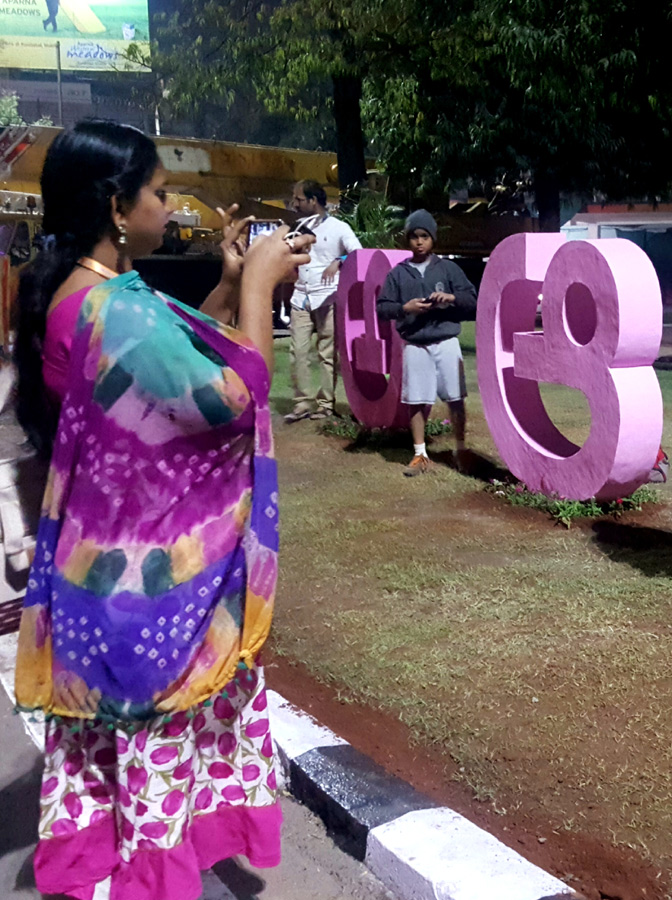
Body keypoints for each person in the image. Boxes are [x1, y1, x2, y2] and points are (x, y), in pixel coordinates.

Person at [13, 120, 313, 900]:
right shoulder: (120, 314)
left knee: (109, 760)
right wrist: (258, 291)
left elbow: (176, 356)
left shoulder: (81, 296)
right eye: (159, 191)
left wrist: (223, 281)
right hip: (151, 591)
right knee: (154, 765)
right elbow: (228, 398)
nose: (169, 203)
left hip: (96, 577)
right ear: (119, 206)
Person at [376, 210, 477, 475]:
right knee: (416, 400)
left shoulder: (448, 268)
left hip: (446, 341)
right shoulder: (398, 274)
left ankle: (461, 449)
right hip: (415, 344)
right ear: (407, 240)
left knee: (455, 397)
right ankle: (420, 454)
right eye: (414, 236)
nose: (419, 242)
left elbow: (471, 300)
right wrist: (405, 307)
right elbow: (383, 308)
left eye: (424, 236)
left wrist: (450, 298)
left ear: (433, 238)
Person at [283, 179, 362, 423]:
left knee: (327, 353)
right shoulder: (297, 227)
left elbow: (358, 252)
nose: (294, 204)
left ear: (313, 201)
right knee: (298, 351)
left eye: (299, 199)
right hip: (300, 296)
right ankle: (302, 403)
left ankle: (326, 404)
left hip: (327, 297)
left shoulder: (339, 227)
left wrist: (339, 260)